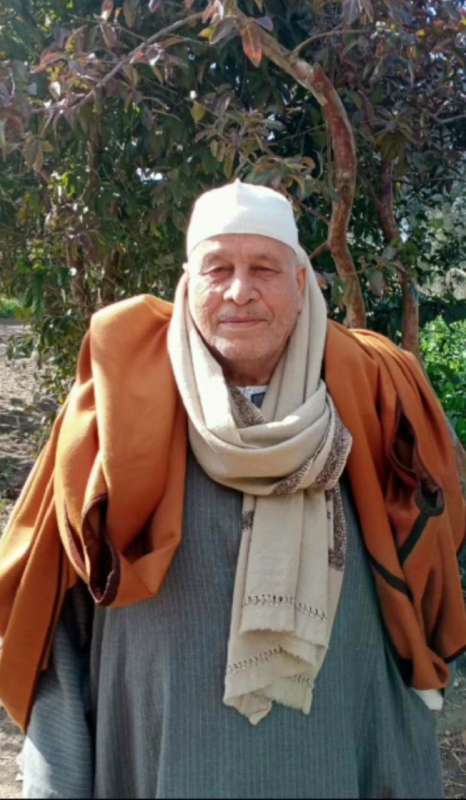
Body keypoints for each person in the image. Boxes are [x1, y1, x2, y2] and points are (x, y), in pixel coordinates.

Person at [0, 180, 465, 799]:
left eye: (264, 269)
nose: (240, 291)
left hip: (339, 749)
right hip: (158, 757)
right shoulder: (113, 406)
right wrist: (57, 777)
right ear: (188, 282)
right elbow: (56, 610)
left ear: (301, 282)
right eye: (218, 268)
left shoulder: (379, 398)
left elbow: (423, 580)